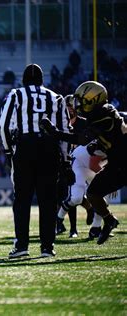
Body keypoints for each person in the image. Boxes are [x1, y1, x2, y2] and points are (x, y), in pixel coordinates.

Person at [0, 64, 71, 259]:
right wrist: (65, 160)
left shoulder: (16, 94)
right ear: (42, 80)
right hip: (49, 149)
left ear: (23, 80)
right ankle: (47, 247)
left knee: (22, 200)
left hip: (25, 147)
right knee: (48, 201)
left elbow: (4, 124)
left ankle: (22, 245)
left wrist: (8, 151)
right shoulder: (56, 97)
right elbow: (65, 130)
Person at [40, 81, 126, 244]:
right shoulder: (103, 113)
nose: (79, 105)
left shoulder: (103, 114)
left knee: (93, 193)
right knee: (93, 193)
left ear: (93, 99)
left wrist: (54, 133)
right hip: (117, 163)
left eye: (82, 100)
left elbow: (81, 138)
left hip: (122, 162)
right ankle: (109, 220)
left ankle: (104, 222)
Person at [56, 143, 106, 239]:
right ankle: (59, 218)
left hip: (97, 167)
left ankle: (96, 228)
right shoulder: (108, 139)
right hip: (80, 165)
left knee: (102, 199)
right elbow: (93, 165)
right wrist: (109, 180)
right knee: (76, 198)